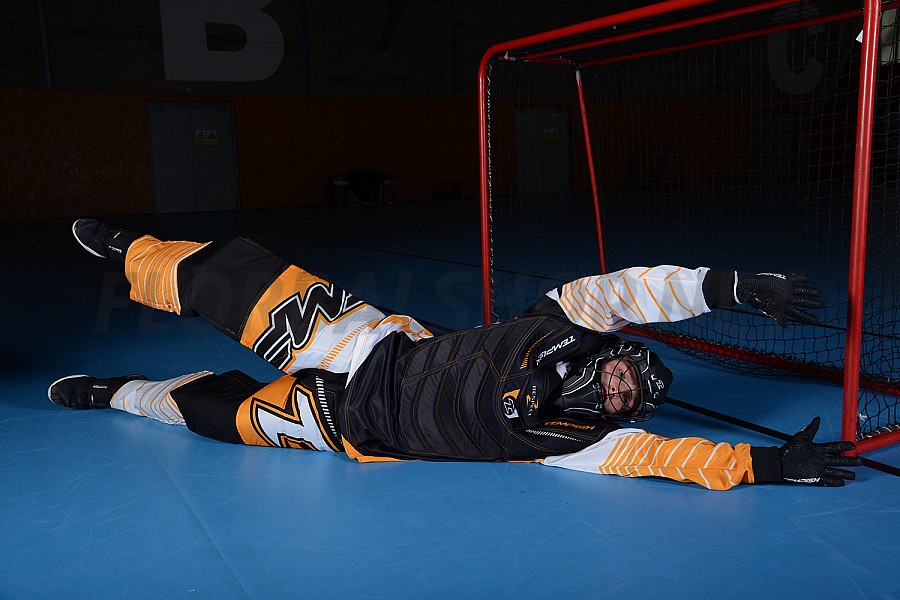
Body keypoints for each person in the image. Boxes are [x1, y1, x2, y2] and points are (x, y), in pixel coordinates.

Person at [48, 219, 862, 491]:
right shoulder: (562, 321)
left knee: (204, 413)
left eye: (624, 400)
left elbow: (672, 460)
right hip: (367, 345)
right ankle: (135, 252)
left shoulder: (579, 445)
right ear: (609, 353)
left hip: (341, 424)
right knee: (245, 281)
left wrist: (765, 467)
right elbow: (634, 290)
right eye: (621, 375)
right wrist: (726, 286)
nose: (616, 394)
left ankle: (118, 392)